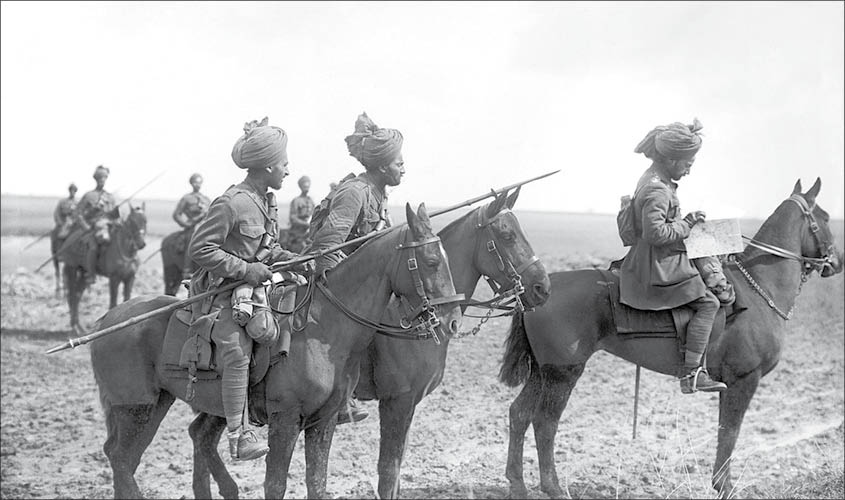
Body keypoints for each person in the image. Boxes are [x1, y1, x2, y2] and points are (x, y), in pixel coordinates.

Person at [187, 116, 303, 462]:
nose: (287, 169)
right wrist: (245, 269)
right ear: (268, 165)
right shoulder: (231, 202)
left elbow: (269, 249)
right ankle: (238, 436)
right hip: (221, 294)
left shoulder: (267, 202)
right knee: (237, 351)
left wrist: (299, 260)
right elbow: (201, 249)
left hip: (256, 291)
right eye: (283, 163)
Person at [306, 111, 404, 424]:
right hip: (337, 284)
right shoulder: (355, 193)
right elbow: (328, 245)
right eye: (399, 163)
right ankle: (341, 394)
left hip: (365, 282)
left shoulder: (378, 194)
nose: (404, 168)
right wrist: (347, 292)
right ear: (381, 165)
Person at [618, 118, 727, 394]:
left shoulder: (657, 178)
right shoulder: (657, 189)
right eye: (687, 164)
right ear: (671, 159)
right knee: (709, 303)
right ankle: (691, 373)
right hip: (656, 265)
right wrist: (688, 223)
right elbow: (655, 234)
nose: (689, 171)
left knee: (721, 243)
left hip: (660, 255)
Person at [74, 165, 118, 286]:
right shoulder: (89, 196)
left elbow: (115, 215)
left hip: (108, 227)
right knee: (93, 247)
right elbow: (78, 214)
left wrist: (115, 221)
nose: (102, 180)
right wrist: (86, 227)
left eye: (104, 177)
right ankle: (91, 274)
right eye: (100, 178)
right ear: (96, 179)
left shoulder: (110, 197)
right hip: (92, 229)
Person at [172, 173, 211, 278]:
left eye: (199, 182)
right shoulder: (186, 198)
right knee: (193, 238)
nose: (197, 185)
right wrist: (185, 224)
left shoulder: (206, 199)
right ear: (191, 184)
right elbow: (176, 215)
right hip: (192, 227)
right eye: (195, 182)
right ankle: (187, 269)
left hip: (205, 226)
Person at [286, 175, 316, 253]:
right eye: (304, 185)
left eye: (307, 185)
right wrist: (306, 224)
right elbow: (293, 218)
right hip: (298, 235)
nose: (306, 187)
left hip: (309, 235)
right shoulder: (296, 201)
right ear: (300, 187)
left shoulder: (311, 201)